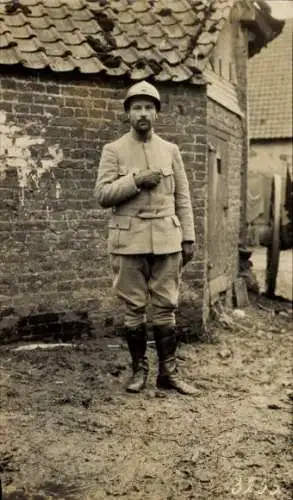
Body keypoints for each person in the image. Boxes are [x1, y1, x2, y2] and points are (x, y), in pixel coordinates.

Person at [94, 80, 199, 395]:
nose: (143, 113)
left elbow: (183, 197)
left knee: (166, 306)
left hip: (167, 240)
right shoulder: (113, 150)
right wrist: (136, 180)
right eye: (137, 107)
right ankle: (139, 371)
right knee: (133, 308)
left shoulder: (170, 151)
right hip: (129, 242)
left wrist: (189, 237)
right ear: (128, 113)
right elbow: (102, 195)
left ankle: (168, 373)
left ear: (156, 113)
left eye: (148, 107)